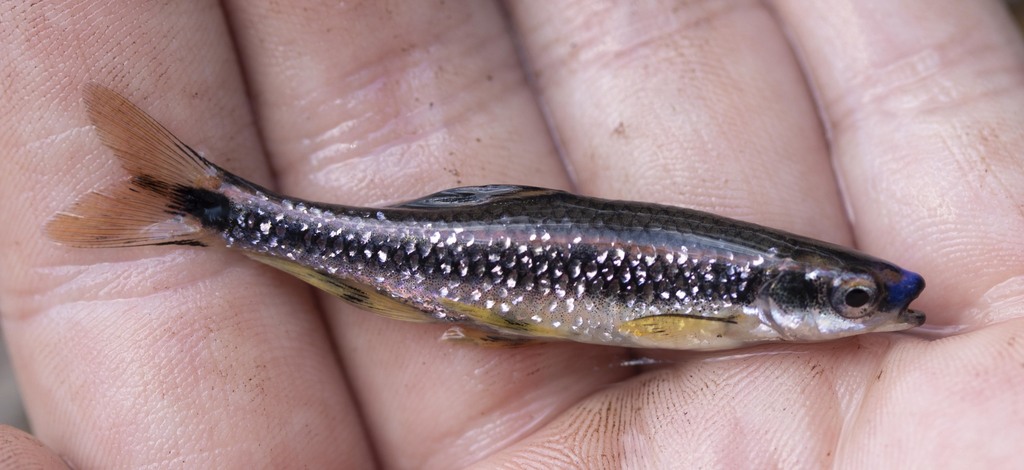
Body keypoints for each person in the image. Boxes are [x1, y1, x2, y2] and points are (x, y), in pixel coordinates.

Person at [1, 1, 1021, 467]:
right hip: (463, 268)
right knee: (385, 262)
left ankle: (209, 206)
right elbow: (660, 327)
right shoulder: (727, 295)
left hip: (474, 278)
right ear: (785, 292)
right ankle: (205, 203)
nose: (864, 309)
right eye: (849, 297)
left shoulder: (745, 298)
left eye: (859, 301)